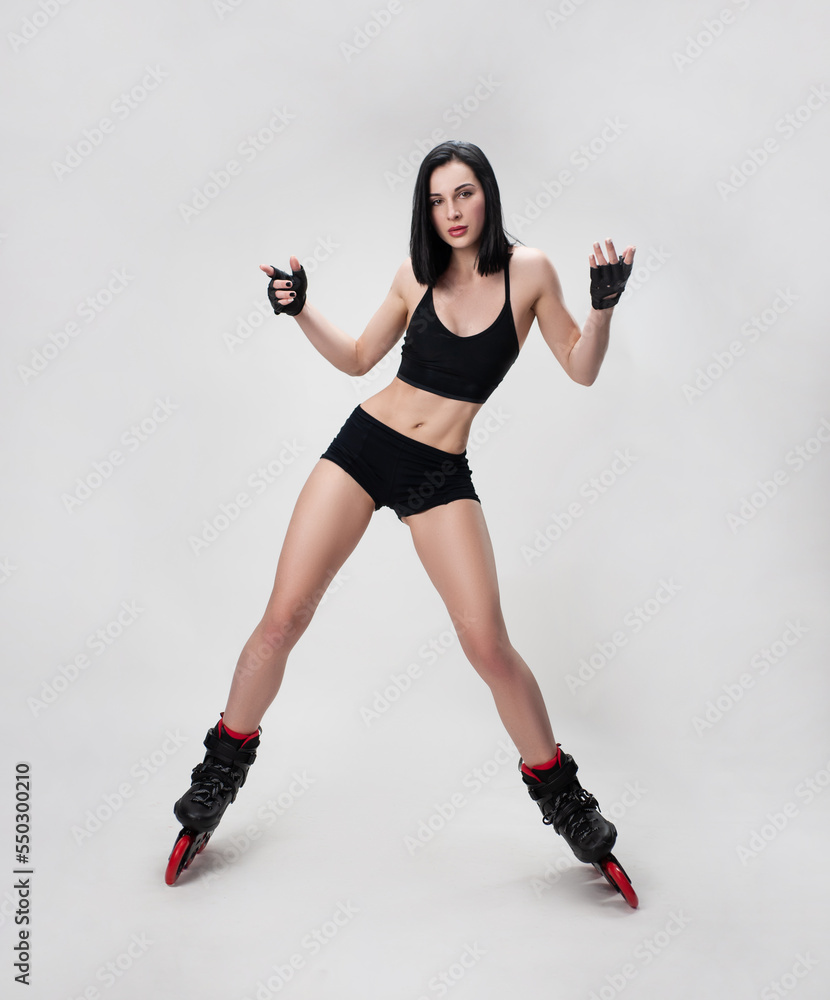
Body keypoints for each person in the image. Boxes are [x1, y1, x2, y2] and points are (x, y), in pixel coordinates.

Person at [167, 139, 636, 886]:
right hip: (366, 448)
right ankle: (218, 775)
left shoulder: (531, 272)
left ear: (488, 194)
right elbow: (359, 358)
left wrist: (603, 311)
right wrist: (300, 309)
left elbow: (580, 367)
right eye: (437, 200)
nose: (453, 212)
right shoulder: (415, 274)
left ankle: (566, 800)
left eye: (465, 193)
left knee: (488, 646)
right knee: (283, 619)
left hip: (438, 472)